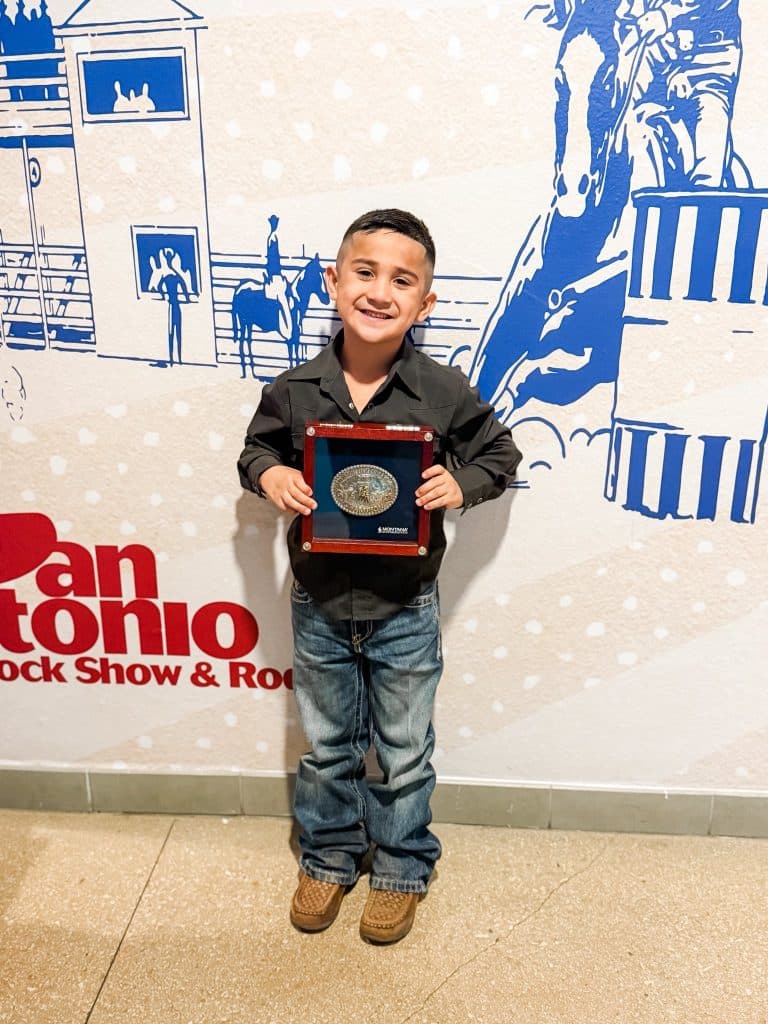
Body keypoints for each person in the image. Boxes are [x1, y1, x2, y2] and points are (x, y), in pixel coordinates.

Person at [238, 209, 522, 944]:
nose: (379, 291)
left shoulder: (443, 390)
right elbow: (254, 453)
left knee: (402, 750)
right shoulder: (294, 389)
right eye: (364, 273)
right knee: (329, 745)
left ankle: (400, 866)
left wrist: (460, 486)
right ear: (334, 283)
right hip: (318, 600)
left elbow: (500, 454)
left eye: (403, 280)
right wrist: (271, 476)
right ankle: (329, 858)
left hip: (406, 606)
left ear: (425, 303)